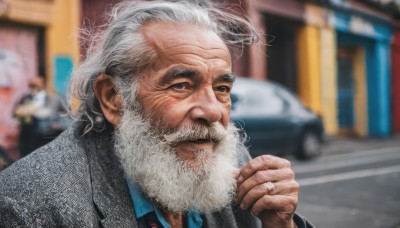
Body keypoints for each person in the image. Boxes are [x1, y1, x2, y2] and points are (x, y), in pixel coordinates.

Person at [0, 1, 314, 227]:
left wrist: (280, 225)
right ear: (113, 98)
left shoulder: (234, 163)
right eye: (181, 85)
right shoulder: (29, 204)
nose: (212, 111)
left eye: (222, 88)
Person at [13, 76, 68, 157]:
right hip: (30, 137)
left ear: (42, 85)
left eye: (36, 85)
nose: (33, 88)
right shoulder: (25, 98)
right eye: (31, 85)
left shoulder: (54, 98)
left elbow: (69, 113)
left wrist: (59, 124)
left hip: (49, 136)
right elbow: (17, 115)